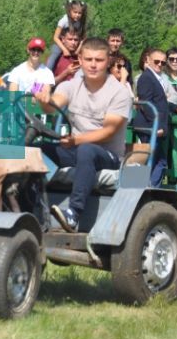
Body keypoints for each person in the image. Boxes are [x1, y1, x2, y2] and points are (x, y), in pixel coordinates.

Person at [34, 37, 132, 232]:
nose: (93, 65)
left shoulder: (119, 92)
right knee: (37, 149)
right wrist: (44, 98)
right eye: (88, 60)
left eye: (99, 60)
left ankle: (73, 214)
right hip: (77, 149)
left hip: (107, 155)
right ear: (80, 58)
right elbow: (52, 106)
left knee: (86, 151)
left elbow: (108, 132)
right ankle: (31, 204)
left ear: (108, 61)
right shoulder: (71, 85)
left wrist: (76, 140)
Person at [132, 48, 173, 186]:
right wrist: (158, 126)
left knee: (154, 161)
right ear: (148, 60)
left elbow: (159, 101)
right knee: (146, 160)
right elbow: (146, 104)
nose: (160, 65)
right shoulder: (146, 78)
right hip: (149, 127)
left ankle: (143, 188)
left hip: (151, 127)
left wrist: (174, 107)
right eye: (157, 61)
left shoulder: (155, 78)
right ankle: (138, 187)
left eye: (163, 63)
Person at [46, 0, 88, 71]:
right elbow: (55, 37)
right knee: (54, 55)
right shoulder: (64, 20)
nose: (77, 15)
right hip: (60, 43)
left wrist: (78, 50)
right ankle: (47, 73)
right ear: (70, 11)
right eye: (75, 12)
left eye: (79, 13)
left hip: (75, 43)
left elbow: (84, 38)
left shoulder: (80, 22)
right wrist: (64, 49)